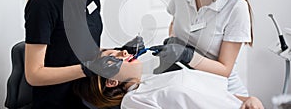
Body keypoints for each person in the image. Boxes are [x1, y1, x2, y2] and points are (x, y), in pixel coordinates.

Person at [149, 0, 264, 109]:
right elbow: (174, 24)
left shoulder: (235, 7)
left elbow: (224, 70)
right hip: (187, 82)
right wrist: (173, 44)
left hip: (223, 91)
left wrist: (186, 55)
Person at [73, 49, 263, 109]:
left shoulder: (149, 81)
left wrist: (248, 100)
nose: (124, 51)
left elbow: (216, 95)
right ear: (112, 81)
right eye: (115, 57)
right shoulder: (133, 101)